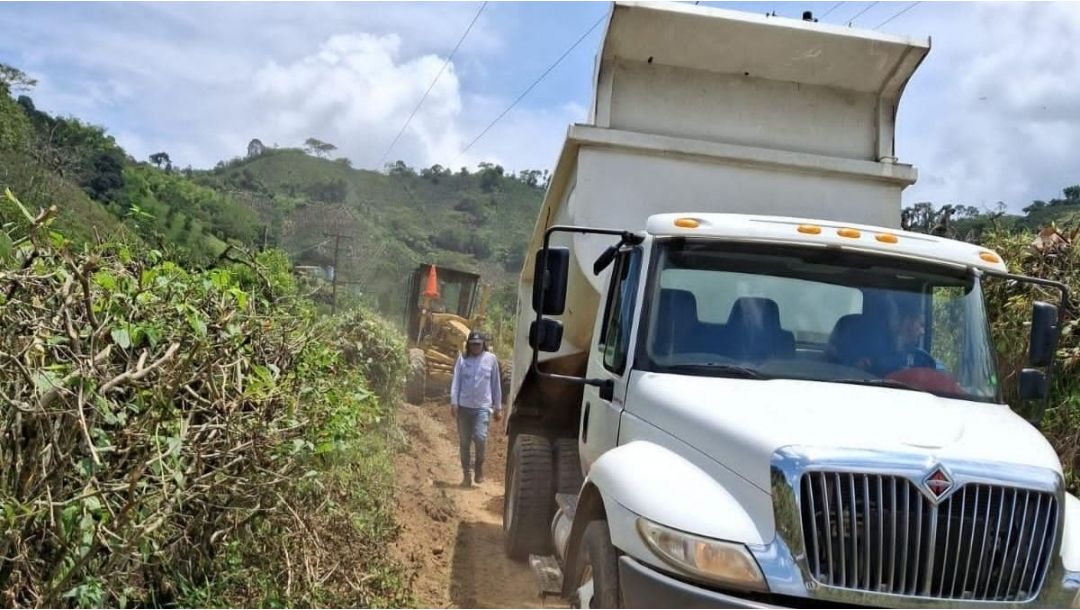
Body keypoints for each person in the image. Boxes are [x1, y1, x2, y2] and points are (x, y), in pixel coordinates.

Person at [450, 331, 503, 487]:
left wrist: (498, 407)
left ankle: (478, 466)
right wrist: (454, 402)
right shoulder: (462, 359)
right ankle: (466, 474)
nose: (475, 347)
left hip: (482, 408)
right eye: (473, 344)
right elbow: (456, 382)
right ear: (469, 345)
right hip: (464, 407)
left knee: (480, 438)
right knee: (464, 442)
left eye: (478, 344)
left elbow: (495, 384)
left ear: (483, 345)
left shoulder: (491, 359)